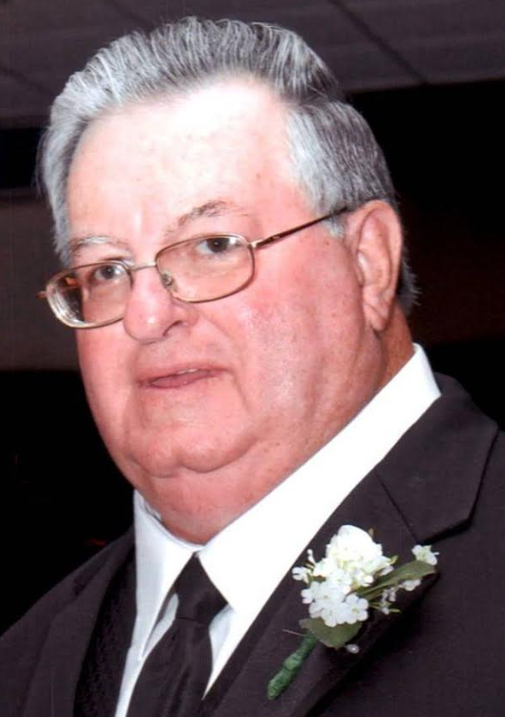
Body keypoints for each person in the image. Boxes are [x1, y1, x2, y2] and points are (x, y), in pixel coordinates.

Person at [1, 16, 503, 717]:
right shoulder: (28, 656)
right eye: (107, 269)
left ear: (368, 262)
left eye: (213, 245)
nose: (147, 316)